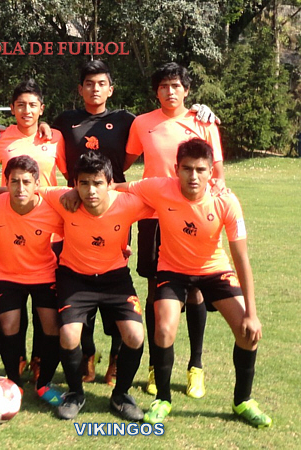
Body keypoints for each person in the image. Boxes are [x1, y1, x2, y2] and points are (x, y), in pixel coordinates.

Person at [115, 138, 271, 428]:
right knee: (164, 329)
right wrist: (75, 193)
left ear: (211, 172)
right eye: (187, 169)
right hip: (172, 270)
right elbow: (116, 188)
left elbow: (241, 259)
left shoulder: (226, 201)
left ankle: (243, 401)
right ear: (176, 169)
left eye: (200, 169)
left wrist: (252, 313)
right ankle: (163, 399)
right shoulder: (159, 187)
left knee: (247, 332)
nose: (193, 176)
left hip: (214, 270)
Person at [124, 62, 225, 399]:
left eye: (176, 85)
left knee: (195, 289)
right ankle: (157, 365)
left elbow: (218, 174)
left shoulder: (203, 121)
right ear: (156, 91)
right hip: (154, 216)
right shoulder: (142, 123)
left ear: (187, 90)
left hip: (195, 216)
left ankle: (196, 366)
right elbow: (122, 162)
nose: (170, 91)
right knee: (157, 291)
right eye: (164, 86)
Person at [45, 151, 154, 421]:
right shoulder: (63, 199)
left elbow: (164, 198)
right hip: (75, 279)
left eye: (97, 183)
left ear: (109, 183)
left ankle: (121, 395)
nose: (91, 190)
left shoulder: (127, 203)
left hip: (115, 279)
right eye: (83, 183)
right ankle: (75, 394)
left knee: (135, 335)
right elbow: (28, 190)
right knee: (69, 335)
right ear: (75, 183)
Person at [0, 79, 67, 383]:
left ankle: (40, 362)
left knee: (45, 313)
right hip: (13, 219)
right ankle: (15, 362)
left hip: (50, 227)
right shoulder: (1, 138)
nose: (26, 110)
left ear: (41, 108)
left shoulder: (54, 137)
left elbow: (70, 175)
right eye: (20, 104)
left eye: (33, 105)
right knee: (13, 312)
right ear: (12, 108)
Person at [0, 155, 64, 405]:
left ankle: (44, 383)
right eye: (14, 181)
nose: (20, 188)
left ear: (37, 184)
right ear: (6, 183)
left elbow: (79, 229)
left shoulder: (51, 209)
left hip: (43, 272)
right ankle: (13, 381)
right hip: (7, 273)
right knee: (9, 325)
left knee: (52, 326)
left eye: (26, 182)